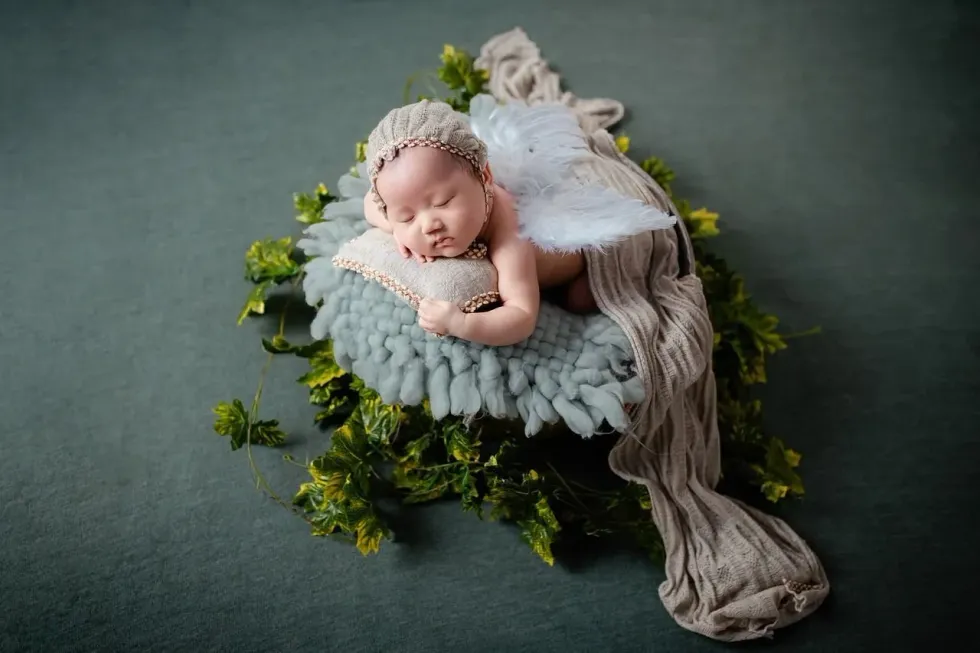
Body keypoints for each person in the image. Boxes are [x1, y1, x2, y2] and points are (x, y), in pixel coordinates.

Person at [362, 99, 596, 346]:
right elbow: (369, 204)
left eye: (443, 202)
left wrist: (461, 323)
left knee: (579, 301)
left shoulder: (510, 229)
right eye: (407, 216)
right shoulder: (403, 205)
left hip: (581, 264)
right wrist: (398, 228)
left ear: (484, 176)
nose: (429, 225)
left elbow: (522, 315)